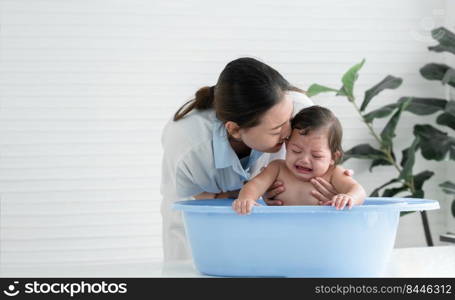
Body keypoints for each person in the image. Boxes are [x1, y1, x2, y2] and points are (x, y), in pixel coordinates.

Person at [160, 57, 354, 261]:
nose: (289, 132)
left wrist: (332, 186)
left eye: (288, 120)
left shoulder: (299, 110)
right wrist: (256, 193)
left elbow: (321, 160)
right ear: (235, 129)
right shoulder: (188, 143)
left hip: (272, 233)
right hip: (198, 225)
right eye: (277, 129)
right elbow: (196, 197)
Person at [232, 105, 366, 215]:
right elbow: (255, 185)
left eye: (316, 155)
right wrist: (246, 199)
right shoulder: (277, 168)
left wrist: (349, 198)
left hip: (320, 233)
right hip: (282, 233)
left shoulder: (333, 173)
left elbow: (358, 190)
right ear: (287, 145)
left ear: (333, 157)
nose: (304, 160)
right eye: (296, 151)